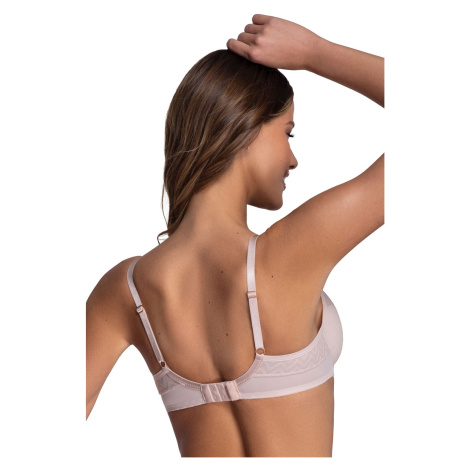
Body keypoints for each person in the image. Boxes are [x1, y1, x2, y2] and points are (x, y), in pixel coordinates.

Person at [86, 13, 384, 457]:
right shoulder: (289, 252)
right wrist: (315, 53)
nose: (293, 159)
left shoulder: (125, 291)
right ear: (244, 129)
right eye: (288, 133)